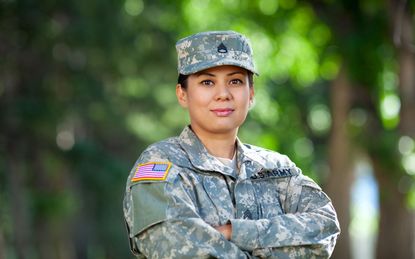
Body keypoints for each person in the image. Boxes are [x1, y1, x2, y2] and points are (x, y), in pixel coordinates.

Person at [123, 30, 340, 258]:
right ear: (182, 94)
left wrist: (234, 232)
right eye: (207, 82)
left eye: (235, 81)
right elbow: (181, 251)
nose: (223, 94)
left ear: (252, 93)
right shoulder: (161, 165)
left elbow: (325, 227)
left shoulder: (277, 169)